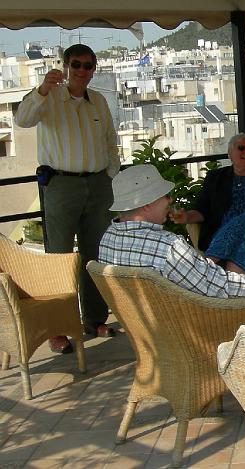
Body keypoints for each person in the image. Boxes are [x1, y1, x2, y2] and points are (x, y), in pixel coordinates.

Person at [14, 44, 118, 354]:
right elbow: (22, 119)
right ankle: (57, 329)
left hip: (98, 185)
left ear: (94, 69)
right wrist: (42, 90)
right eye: (76, 64)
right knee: (58, 258)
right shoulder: (48, 98)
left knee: (94, 255)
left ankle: (94, 320)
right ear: (66, 66)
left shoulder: (98, 100)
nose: (82, 71)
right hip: (61, 185)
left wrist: (110, 174)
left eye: (88, 65)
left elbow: (110, 141)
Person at [98, 165, 245, 297]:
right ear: (147, 204)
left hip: (154, 332)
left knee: (244, 232)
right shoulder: (167, 248)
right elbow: (220, 286)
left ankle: (210, 259)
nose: (170, 200)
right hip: (198, 327)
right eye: (165, 195)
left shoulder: (107, 239)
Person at [171, 133, 245, 273]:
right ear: (230, 153)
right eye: (241, 148)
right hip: (230, 234)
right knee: (241, 243)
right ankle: (233, 283)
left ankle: (205, 266)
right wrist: (186, 217)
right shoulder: (216, 177)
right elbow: (202, 209)